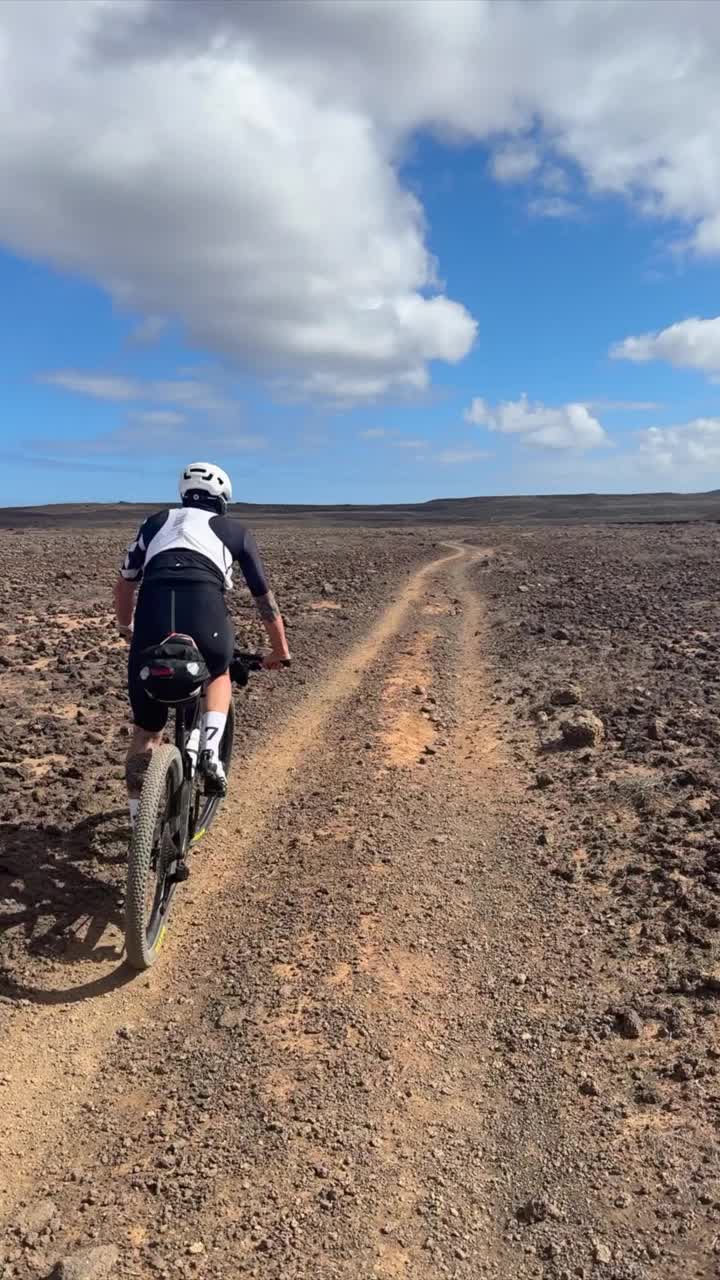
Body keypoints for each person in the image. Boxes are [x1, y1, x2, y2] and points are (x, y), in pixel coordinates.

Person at [113, 461, 290, 823]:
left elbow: (125, 583)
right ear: (222, 498)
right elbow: (264, 599)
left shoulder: (155, 522)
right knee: (217, 670)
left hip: (153, 617)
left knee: (147, 732)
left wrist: (125, 625)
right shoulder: (235, 531)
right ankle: (210, 749)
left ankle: (137, 822)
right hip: (204, 612)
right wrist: (280, 650)